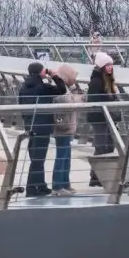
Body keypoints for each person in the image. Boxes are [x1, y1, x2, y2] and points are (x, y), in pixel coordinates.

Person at [17, 61, 67, 198]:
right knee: (38, 160)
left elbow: (21, 107)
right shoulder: (43, 87)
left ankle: (41, 185)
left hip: (30, 126)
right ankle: (32, 189)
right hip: (43, 126)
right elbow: (62, 90)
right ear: (41, 72)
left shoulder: (23, 88)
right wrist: (54, 76)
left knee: (36, 158)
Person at [86, 52, 119, 188]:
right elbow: (96, 101)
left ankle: (97, 176)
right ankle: (97, 177)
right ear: (101, 67)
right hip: (100, 119)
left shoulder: (109, 80)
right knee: (102, 146)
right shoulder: (96, 82)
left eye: (111, 65)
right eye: (107, 65)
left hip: (108, 118)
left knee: (107, 146)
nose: (110, 67)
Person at [52, 64, 83, 196]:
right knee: (62, 156)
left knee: (66, 156)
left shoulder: (66, 88)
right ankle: (58, 185)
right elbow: (68, 103)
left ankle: (65, 183)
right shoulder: (60, 89)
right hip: (62, 127)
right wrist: (77, 98)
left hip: (67, 127)